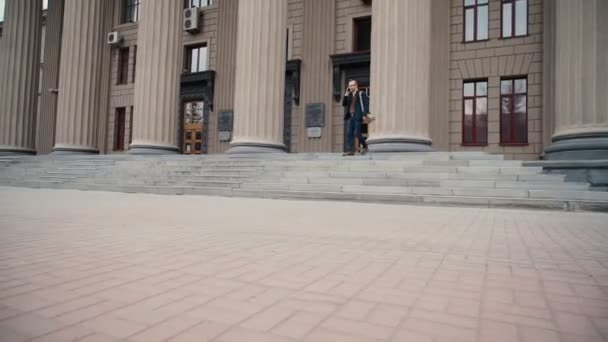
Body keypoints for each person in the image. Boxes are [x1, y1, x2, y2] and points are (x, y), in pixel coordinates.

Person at [342, 80, 369, 156]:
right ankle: (351, 150)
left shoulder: (361, 94)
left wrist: (364, 114)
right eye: (349, 85)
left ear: (356, 86)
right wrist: (346, 94)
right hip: (350, 116)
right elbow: (344, 104)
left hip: (358, 116)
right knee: (349, 133)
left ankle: (364, 145)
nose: (350, 87)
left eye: (352, 85)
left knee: (356, 133)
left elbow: (366, 104)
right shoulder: (349, 95)